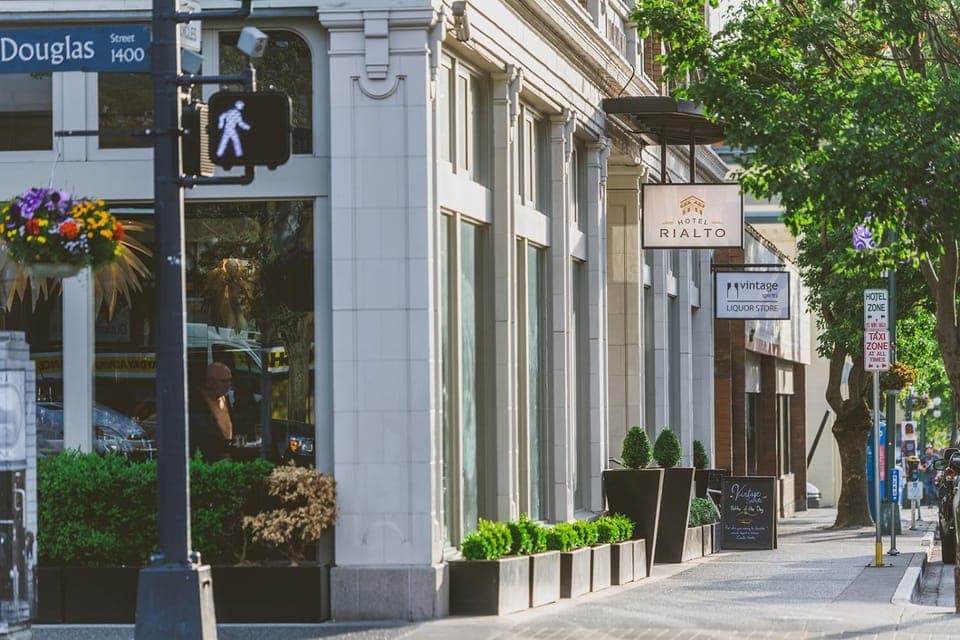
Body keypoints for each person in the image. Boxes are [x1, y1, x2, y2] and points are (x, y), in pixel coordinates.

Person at [189, 361, 236, 461]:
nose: (228, 385)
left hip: (229, 456)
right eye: (223, 381)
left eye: (229, 381)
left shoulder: (225, 398)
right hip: (208, 460)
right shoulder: (196, 403)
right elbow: (203, 436)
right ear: (209, 382)